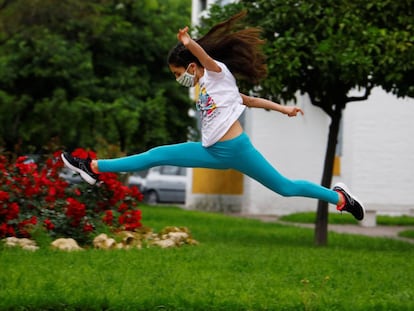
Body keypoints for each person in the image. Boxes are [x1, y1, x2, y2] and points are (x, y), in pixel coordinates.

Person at [62, 11, 365, 221]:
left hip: (236, 149)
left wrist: (189, 43)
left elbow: (206, 59)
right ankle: (92, 167)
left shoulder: (216, 72)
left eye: (178, 73)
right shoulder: (208, 85)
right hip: (212, 151)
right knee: (156, 155)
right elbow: (246, 99)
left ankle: (339, 198)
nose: (177, 78)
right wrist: (282, 108)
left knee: (285, 188)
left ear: (191, 65)